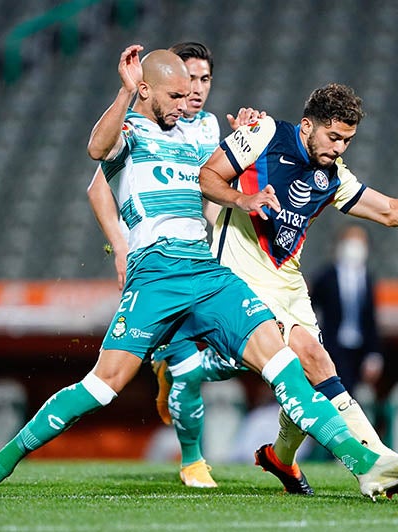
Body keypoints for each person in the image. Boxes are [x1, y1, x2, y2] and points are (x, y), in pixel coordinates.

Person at [0, 44, 398, 501]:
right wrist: (119, 244)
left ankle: (367, 463)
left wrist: (247, 133)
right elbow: (95, 152)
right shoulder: (128, 132)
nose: (188, 100)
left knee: (287, 364)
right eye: (176, 93)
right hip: (154, 275)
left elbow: (227, 169)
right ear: (147, 89)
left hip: (206, 271)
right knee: (101, 387)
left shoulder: (200, 132)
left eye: (194, 89)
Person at [197, 82, 398, 493]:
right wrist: (240, 199)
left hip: (288, 283)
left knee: (315, 370)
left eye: (347, 140)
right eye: (333, 137)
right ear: (306, 126)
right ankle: (377, 461)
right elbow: (206, 177)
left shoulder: (333, 176)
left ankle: (280, 458)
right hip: (242, 280)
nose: (339, 148)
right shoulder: (263, 133)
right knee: (312, 359)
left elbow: (390, 212)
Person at [85, 41, 255, 488]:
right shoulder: (148, 126)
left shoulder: (208, 128)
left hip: (200, 255)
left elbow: (209, 193)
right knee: (188, 371)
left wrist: (244, 147)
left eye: (204, 81)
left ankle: (168, 375)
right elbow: (97, 188)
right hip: (159, 258)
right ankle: (193, 460)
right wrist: (120, 247)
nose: (196, 91)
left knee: (238, 356)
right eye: (188, 81)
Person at [311, 224, 384, 393]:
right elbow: (311, 307)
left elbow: (370, 318)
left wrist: (374, 353)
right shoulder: (326, 276)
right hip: (332, 347)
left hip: (358, 349)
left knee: (353, 395)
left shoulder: (367, 277)